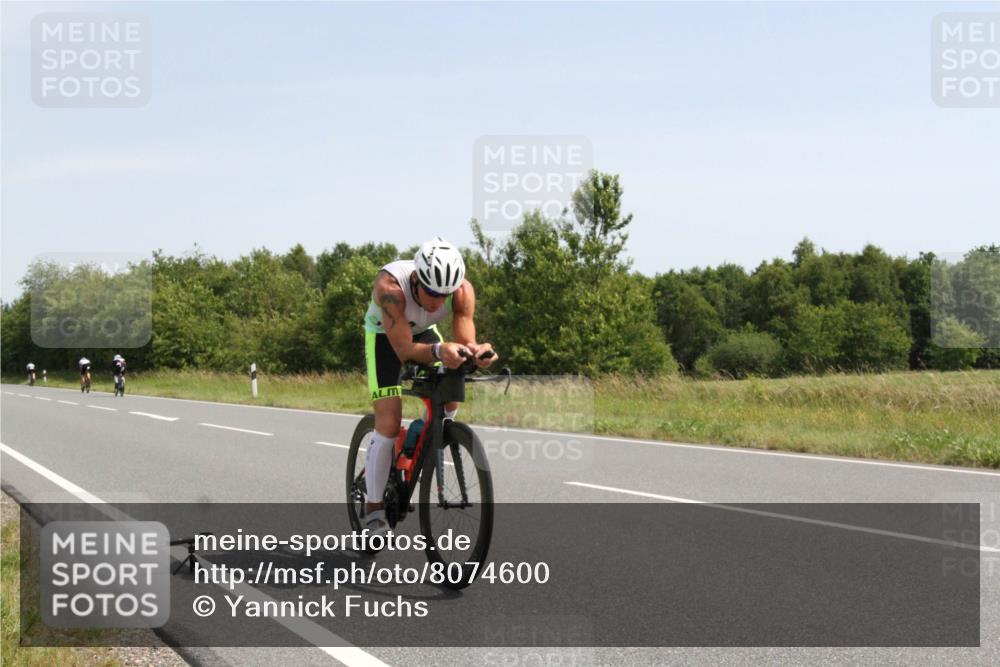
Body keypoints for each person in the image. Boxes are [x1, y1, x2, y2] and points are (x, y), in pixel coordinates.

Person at [361, 237, 497, 534]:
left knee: (450, 402)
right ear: (417, 279)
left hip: (423, 333)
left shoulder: (461, 291)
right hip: (387, 338)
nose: (438, 301)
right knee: (388, 422)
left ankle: (414, 442)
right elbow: (404, 350)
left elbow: (463, 337)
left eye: (444, 294)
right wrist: (439, 352)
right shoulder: (390, 289)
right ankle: (373, 508)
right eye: (432, 292)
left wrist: (475, 351)